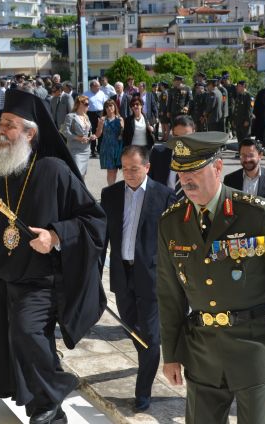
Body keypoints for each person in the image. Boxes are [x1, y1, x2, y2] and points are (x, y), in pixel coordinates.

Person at [156, 131, 265, 424]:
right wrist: (171, 354)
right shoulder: (171, 223)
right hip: (203, 354)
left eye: (195, 171)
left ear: (218, 168)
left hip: (255, 350)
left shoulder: (255, 214)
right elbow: (169, 294)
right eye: (181, 173)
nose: (186, 180)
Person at [0, 88, 107, 424]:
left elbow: (94, 219)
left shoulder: (54, 171)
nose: (1, 130)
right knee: (17, 348)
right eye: (1, 123)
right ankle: (48, 413)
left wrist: (56, 235)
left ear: (30, 133)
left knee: (27, 334)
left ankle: (55, 392)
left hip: (41, 282)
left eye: (10, 124)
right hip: (3, 279)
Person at [100, 145, 176, 412]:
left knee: (151, 338)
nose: (129, 173)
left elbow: (173, 242)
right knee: (132, 329)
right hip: (122, 275)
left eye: (134, 168)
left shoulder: (164, 196)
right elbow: (102, 239)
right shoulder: (109, 195)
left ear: (147, 167)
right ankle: (149, 359)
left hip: (151, 277)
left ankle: (142, 392)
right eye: (125, 168)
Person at [223, 138, 265, 217]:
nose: (247, 159)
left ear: (260, 155)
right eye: (243, 155)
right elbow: (225, 205)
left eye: (251, 155)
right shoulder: (230, 179)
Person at [148, 115, 195, 197]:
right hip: (164, 202)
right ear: (172, 134)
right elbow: (149, 183)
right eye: (177, 137)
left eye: (186, 137)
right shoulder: (158, 153)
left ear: (194, 133)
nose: (181, 141)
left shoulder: (201, 157)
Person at [61, 95, 95, 178]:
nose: (88, 106)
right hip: (75, 150)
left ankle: (80, 190)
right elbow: (65, 132)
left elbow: (88, 132)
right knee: (77, 173)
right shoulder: (70, 116)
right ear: (80, 104)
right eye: (86, 104)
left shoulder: (86, 116)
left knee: (82, 174)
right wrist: (78, 138)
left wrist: (91, 136)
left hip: (86, 149)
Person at [95, 99, 124, 186]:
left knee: (115, 171)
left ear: (115, 107)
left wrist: (122, 128)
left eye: (111, 106)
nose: (109, 108)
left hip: (118, 147)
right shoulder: (103, 119)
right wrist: (99, 126)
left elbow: (123, 134)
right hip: (107, 147)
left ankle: (112, 189)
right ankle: (111, 190)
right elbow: (98, 134)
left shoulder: (120, 119)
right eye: (106, 107)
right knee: (110, 171)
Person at [84, 79, 109, 158]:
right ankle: (92, 150)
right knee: (91, 132)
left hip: (100, 113)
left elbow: (105, 105)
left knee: (101, 132)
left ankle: (100, 149)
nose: (99, 87)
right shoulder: (86, 94)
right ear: (92, 86)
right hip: (90, 114)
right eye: (97, 86)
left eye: (99, 86)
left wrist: (105, 115)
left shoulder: (102, 93)